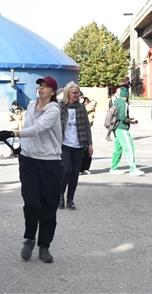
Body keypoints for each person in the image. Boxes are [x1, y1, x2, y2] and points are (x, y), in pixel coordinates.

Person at [13, 76, 62, 263]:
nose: (41, 89)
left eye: (46, 87)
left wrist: (13, 133)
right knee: (32, 203)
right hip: (28, 161)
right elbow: (28, 128)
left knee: (49, 205)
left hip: (49, 161)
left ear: (53, 92)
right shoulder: (32, 106)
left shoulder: (54, 109)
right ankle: (29, 239)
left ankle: (44, 246)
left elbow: (39, 128)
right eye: (40, 86)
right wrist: (21, 145)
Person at [59, 82, 93, 210]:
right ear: (68, 93)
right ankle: (60, 196)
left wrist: (90, 143)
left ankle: (70, 200)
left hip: (79, 144)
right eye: (74, 93)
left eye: (78, 93)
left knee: (74, 173)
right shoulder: (60, 106)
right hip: (64, 144)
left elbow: (86, 125)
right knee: (66, 170)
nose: (77, 95)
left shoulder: (80, 107)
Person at [109, 87, 144, 176]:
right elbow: (122, 117)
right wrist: (131, 121)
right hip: (122, 128)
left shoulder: (116, 101)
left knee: (118, 149)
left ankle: (113, 168)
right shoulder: (124, 103)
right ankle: (133, 169)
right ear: (127, 95)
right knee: (129, 147)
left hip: (116, 128)